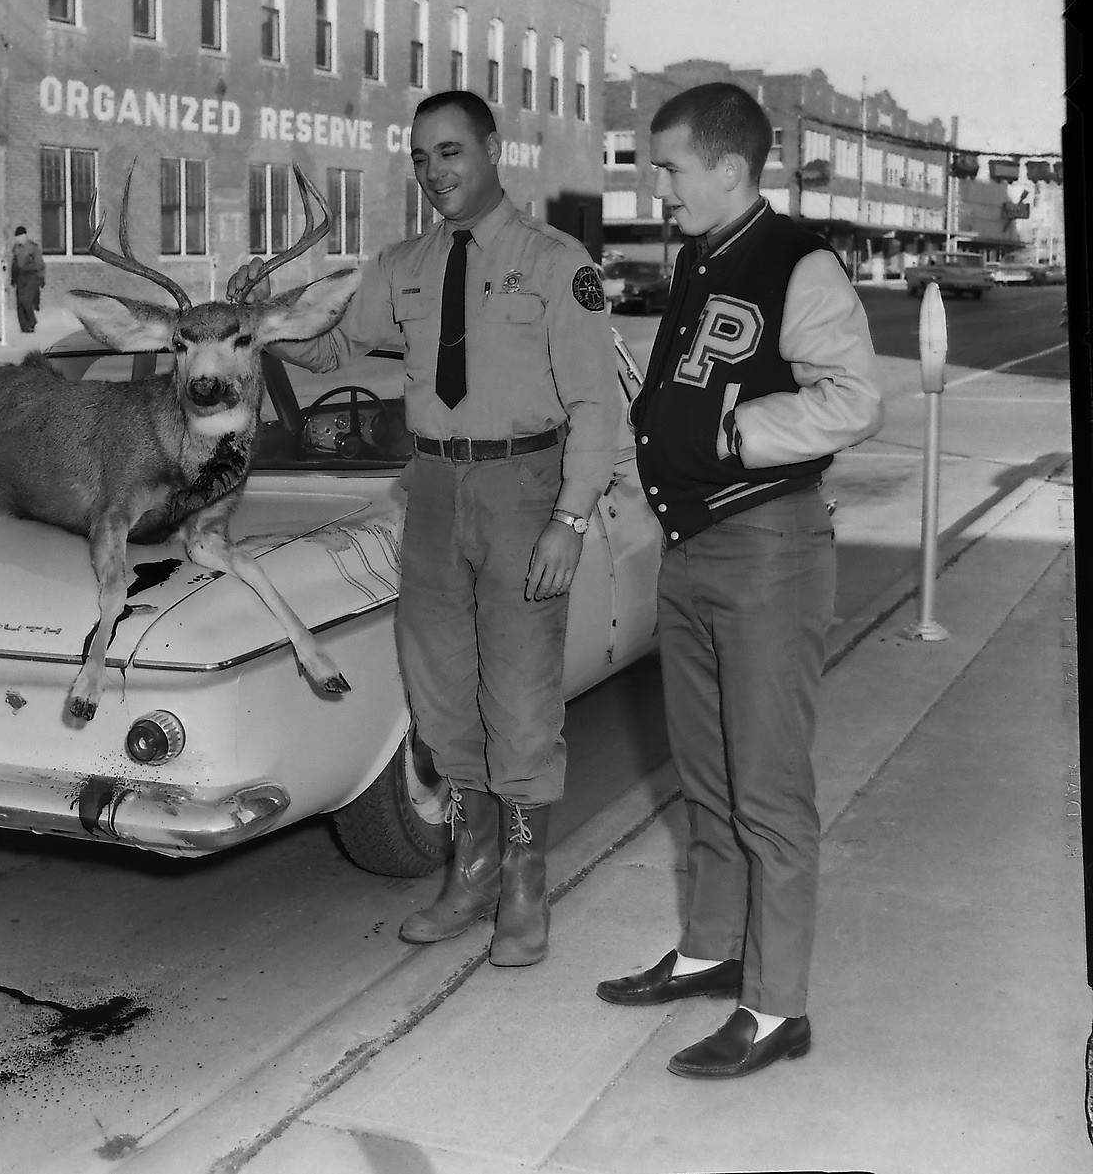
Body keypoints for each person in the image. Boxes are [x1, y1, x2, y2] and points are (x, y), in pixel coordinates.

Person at [231, 90, 619, 967]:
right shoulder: (401, 265)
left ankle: (524, 887)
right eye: (420, 157)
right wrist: (267, 318)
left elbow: (598, 406)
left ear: (491, 150)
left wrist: (570, 517)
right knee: (442, 694)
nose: (435, 171)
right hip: (433, 490)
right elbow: (333, 352)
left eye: (451, 152)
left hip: (526, 486)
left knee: (519, 697)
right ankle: (473, 868)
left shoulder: (558, 264)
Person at [595, 82, 883, 1078]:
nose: (655, 183)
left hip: (767, 549)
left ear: (725, 167)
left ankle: (776, 1008)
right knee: (705, 778)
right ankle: (712, 950)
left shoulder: (797, 261)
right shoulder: (698, 255)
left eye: (666, 166)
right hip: (691, 548)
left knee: (768, 791)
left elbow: (852, 399)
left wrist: (729, 434)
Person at [9, 225, 44, 334]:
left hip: (31, 276)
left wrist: (42, 277)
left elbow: (40, 264)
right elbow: (14, 264)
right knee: (20, 303)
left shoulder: (33, 248)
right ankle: (24, 327)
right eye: (16, 237)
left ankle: (32, 321)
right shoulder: (16, 248)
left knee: (26, 300)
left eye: (19, 236)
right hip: (20, 277)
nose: (18, 239)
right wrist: (13, 278)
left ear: (24, 236)